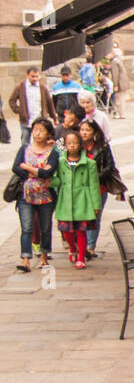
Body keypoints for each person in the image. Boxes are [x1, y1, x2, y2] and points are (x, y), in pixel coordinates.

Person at [12, 117, 57, 273]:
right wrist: (33, 173)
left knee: (45, 228)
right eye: (35, 130)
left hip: (46, 196)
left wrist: (28, 168)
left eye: (42, 130)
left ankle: (44, 257)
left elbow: (49, 171)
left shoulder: (53, 151)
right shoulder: (25, 148)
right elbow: (16, 168)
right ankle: (26, 259)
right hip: (26, 195)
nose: (38, 133)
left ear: (48, 133)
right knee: (27, 228)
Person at [50, 130, 99, 269]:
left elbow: (94, 185)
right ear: (65, 145)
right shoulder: (60, 162)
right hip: (65, 199)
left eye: (75, 143)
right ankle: (72, 248)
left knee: (81, 231)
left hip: (82, 200)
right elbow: (57, 180)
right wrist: (50, 180)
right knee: (66, 230)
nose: (72, 146)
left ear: (80, 145)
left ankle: (81, 257)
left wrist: (96, 205)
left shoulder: (89, 163)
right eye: (69, 143)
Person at [78, 118, 125, 259]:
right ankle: (82, 245)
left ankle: (90, 247)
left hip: (99, 187)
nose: (84, 133)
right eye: (82, 130)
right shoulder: (75, 145)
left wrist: (95, 177)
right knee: (81, 216)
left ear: (95, 132)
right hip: (80, 188)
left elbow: (109, 166)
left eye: (87, 130)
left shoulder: (103, 146)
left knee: (94, 216)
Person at [8, 68, 55, 146]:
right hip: (26, 121)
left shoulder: (42, 87)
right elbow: (12, 101)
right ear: (27, 75)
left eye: (37, 76)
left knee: (40, 142)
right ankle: (25, 158)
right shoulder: (21, 87)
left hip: (39, 120)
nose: (35, 79)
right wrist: (19, 110)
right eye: (33, 76)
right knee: (25, 143)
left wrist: (54, 117)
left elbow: (49, 103)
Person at [108, 48, 129, 119]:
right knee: (121, 98)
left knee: (118, 99)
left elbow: (115, 74)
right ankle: (122, 113)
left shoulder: (114, 62)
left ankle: (120, 113)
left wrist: (115, 85)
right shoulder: (118, 60)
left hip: (120, 83)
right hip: (123, 82)